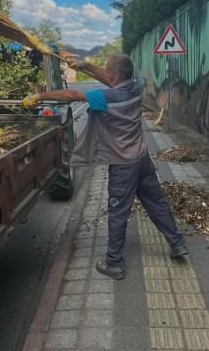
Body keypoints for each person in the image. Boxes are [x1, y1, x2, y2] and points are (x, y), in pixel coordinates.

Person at [22, 53, 188, 280]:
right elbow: (109, 79)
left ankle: (114, 263)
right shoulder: (134, 89)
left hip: (123, 166)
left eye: (108, 70)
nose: (106, 74)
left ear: (116, 74)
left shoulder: (106, 98)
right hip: (141, 159)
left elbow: (71, 95)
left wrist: (39, 96)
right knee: (157, 202)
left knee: (118, 213)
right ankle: (177, 243)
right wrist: (85, 66)